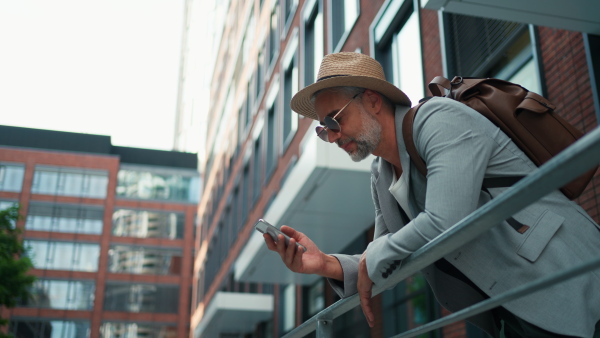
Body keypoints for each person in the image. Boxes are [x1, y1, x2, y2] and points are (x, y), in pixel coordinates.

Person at [262, 52, 600, 337]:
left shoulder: (438, 119)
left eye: (334, 122)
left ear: (372, 99)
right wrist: (326, 264)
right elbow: (387, 253)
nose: (333, 137)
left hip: (567, 278)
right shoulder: (381, 174)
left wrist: (375, 256)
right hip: (511, 308)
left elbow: (446, 219)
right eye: (324, 131)